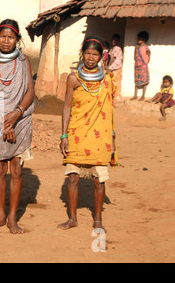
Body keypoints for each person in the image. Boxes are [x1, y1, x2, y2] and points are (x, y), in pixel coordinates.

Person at [0, 19, 35, 234]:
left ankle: (13, 218)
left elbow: (30, 91)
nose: (6, 41)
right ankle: (0, 216)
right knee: (0, 169)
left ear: (17, 39)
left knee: (17, 169)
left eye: (11, 37)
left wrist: (16, 113)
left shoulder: (24, 61)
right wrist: (4, 121)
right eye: (2, 36)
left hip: (20, 119)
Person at [58, 36, 118, 231]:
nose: (91, 58)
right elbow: (67, 107)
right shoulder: (73, 78)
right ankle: (72, 218)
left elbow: (110, 109)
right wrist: (64, 135)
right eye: (87, 53)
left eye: (95, 54)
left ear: (101, 57)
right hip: (77, 132)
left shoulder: (107, 79)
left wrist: (113, 137)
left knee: (98, 179)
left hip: (100, 134)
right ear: (82, 54)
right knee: (73, 177)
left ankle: (98, 219)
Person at [132, 31, 151, 101]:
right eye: (138, 38)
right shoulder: (136, 47)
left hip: (143, 65)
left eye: (140, 38)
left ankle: (143, 95)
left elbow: (149, 53)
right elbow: (134, 56)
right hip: (137, 66)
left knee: (144, 81)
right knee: (137, 81)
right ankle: (135, 95)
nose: (138, 40)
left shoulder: (146, 47)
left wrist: (147, 60)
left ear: (144, 39)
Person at [106, 34, 123, 100]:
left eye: (115, 40)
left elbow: (113, 58)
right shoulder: (111, 49)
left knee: (113, 83)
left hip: (115, 66)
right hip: (111, 66)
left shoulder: (117, 48)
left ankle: (114, 97)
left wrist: (109, 66)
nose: (113, 41)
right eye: (112, 39)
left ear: (118, 41)